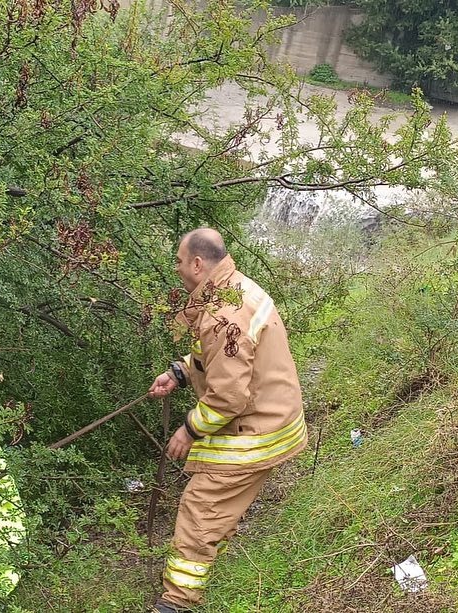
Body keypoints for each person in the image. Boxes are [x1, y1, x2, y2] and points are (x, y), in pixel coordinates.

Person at [146, 228, 307, 612]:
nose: (178, 268)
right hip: (272, 418)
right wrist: (182, 372)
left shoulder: (224, 313)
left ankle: (175, 603)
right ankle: (213, 543)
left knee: (200, 510)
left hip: (256, 431)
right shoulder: (232, 288)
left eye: (181, 262)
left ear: (198, 264)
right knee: (214, 508)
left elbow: (228, 397)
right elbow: (224, 360)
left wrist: (188, 430)